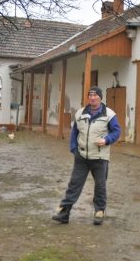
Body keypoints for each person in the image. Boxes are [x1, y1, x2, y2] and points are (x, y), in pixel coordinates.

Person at [52, 86, 121, 225]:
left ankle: (99, 212)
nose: (92, 97)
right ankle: (64, 213)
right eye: (90, 95)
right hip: (82, 157)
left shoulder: (109, 114)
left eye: (95, 95)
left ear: (100, 97)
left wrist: (107, 140)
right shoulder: (80, 113)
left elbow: (116, 131)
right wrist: (73, 149)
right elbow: (74, 133)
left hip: (100, 158)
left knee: (100, 186)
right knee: (74, 184)